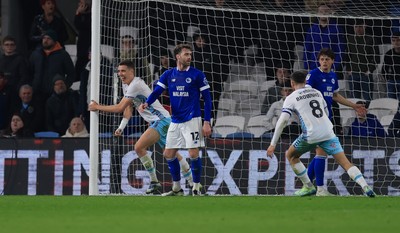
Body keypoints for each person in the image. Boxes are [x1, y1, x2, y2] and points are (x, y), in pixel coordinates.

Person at [88, 60, 194, 195]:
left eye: (123, 71)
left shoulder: (136, 85)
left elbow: (119, 107)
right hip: (161, 121)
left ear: (132, 72)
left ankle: (156, 182)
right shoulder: (126, 85)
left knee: (139, 147)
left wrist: (97, 107)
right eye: (119, 71)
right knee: (172, 154)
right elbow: (127, 109)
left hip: (161, 121)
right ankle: (190, 183)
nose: (120, 74)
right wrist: (121, 127)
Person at [266, 71, 375, 197]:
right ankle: (365, 186)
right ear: (305, 81)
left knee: (291, 155)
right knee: (346, 163)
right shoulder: (317, 92)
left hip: (311, 134)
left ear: (292, 83)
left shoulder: (291, 97)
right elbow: (326, 113)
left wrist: (273, 144)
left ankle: (308, 186)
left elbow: (283, 121)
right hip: (328, 132)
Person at [139, 44, 212, 196]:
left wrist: (207, 122)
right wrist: (147, 102)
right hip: (175, 120)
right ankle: (177, 188)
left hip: (193, 119)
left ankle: (197, 187)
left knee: (193, 154)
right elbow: (157, 91)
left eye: (190, 54)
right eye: (186, 54)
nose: (189, 57)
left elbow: (208, 99)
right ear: (178, 56)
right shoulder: (168, 74)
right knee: (168, 153)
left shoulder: (197, 75)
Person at [305, 48, 366, 196]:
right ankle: (318, 188)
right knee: (321, 152)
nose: (324, 62)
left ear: (333, 61)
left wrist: (354, 105)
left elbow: (335, 96)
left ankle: (306, 185)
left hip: (327, 118)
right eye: (322, 59)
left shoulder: (333, 76)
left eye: (327, 59)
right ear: (318, 61)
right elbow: (305, 94)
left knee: (320, 152)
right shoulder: (313, 75)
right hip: (315, 119)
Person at [29, 29, 75, 103]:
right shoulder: (36, 54)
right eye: (44, 38)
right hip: (37, 94)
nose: (45, 40)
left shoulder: (63, 55)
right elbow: (29, 72)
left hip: (56, 94)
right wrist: (32, 86)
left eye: (48, 38)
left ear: (54, 40)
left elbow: (71, 73)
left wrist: (64, 86)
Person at [303, 4, 346, 78]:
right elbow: (307, 48)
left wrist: (335, 65)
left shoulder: (337, 29)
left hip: (330, 66)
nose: (323, 13)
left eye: (326, 11)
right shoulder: (312, 29)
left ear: (331, 13)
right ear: (317, 13)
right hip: (314, 65)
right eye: (321, 11)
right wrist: (307, 65)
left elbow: (340, 49)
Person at [345, 19, 378, 101]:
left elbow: (376, 57)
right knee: (354, 99)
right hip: (353, 74)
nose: (358, 29)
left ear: (364, 26)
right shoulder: (350, 39)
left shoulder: (371, 39)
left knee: (367, 99)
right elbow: (346, 55)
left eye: (360, 26)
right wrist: (349, 69)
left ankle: (368, 114)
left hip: (365, 74)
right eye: (356, 26)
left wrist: (370, 70)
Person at [0, 36, 31, 105]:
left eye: (12, 44)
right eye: (7, 44)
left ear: (15, 46)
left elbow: (24, 77)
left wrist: (17, 90)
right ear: (3, 47)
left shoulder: (20, 60)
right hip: (2, 92)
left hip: (14, 92)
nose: (9, 46)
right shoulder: (1, 59)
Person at [74, 0, 92, 81]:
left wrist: (78, 13)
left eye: (81, 3)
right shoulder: (82, 15)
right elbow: (77, 25)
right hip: (81, 50)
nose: (79, 4)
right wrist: (78, 14)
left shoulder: (92, 15)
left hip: (88, 48)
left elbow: (81, 25)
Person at [382, 31, 400, 100]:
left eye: (398, 40)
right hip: (392, 81)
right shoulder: (389, 54)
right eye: (393, 40)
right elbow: (384, 69)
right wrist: (387, 79)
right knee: (391, 103)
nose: (396, 42)